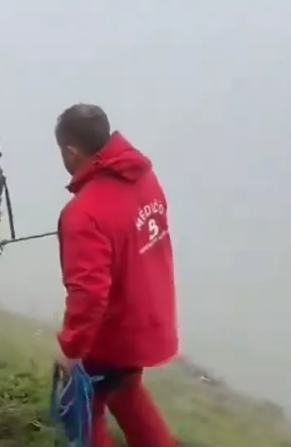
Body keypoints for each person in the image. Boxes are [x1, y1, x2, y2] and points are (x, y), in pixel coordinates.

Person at [54, 104, 178, 447]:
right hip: (150, 318)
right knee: (126, 391)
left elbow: (89, 292)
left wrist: (72, 348)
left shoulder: (83, 213)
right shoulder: (143, 176)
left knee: (84, 408)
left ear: (70, 151)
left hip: (112, 333)